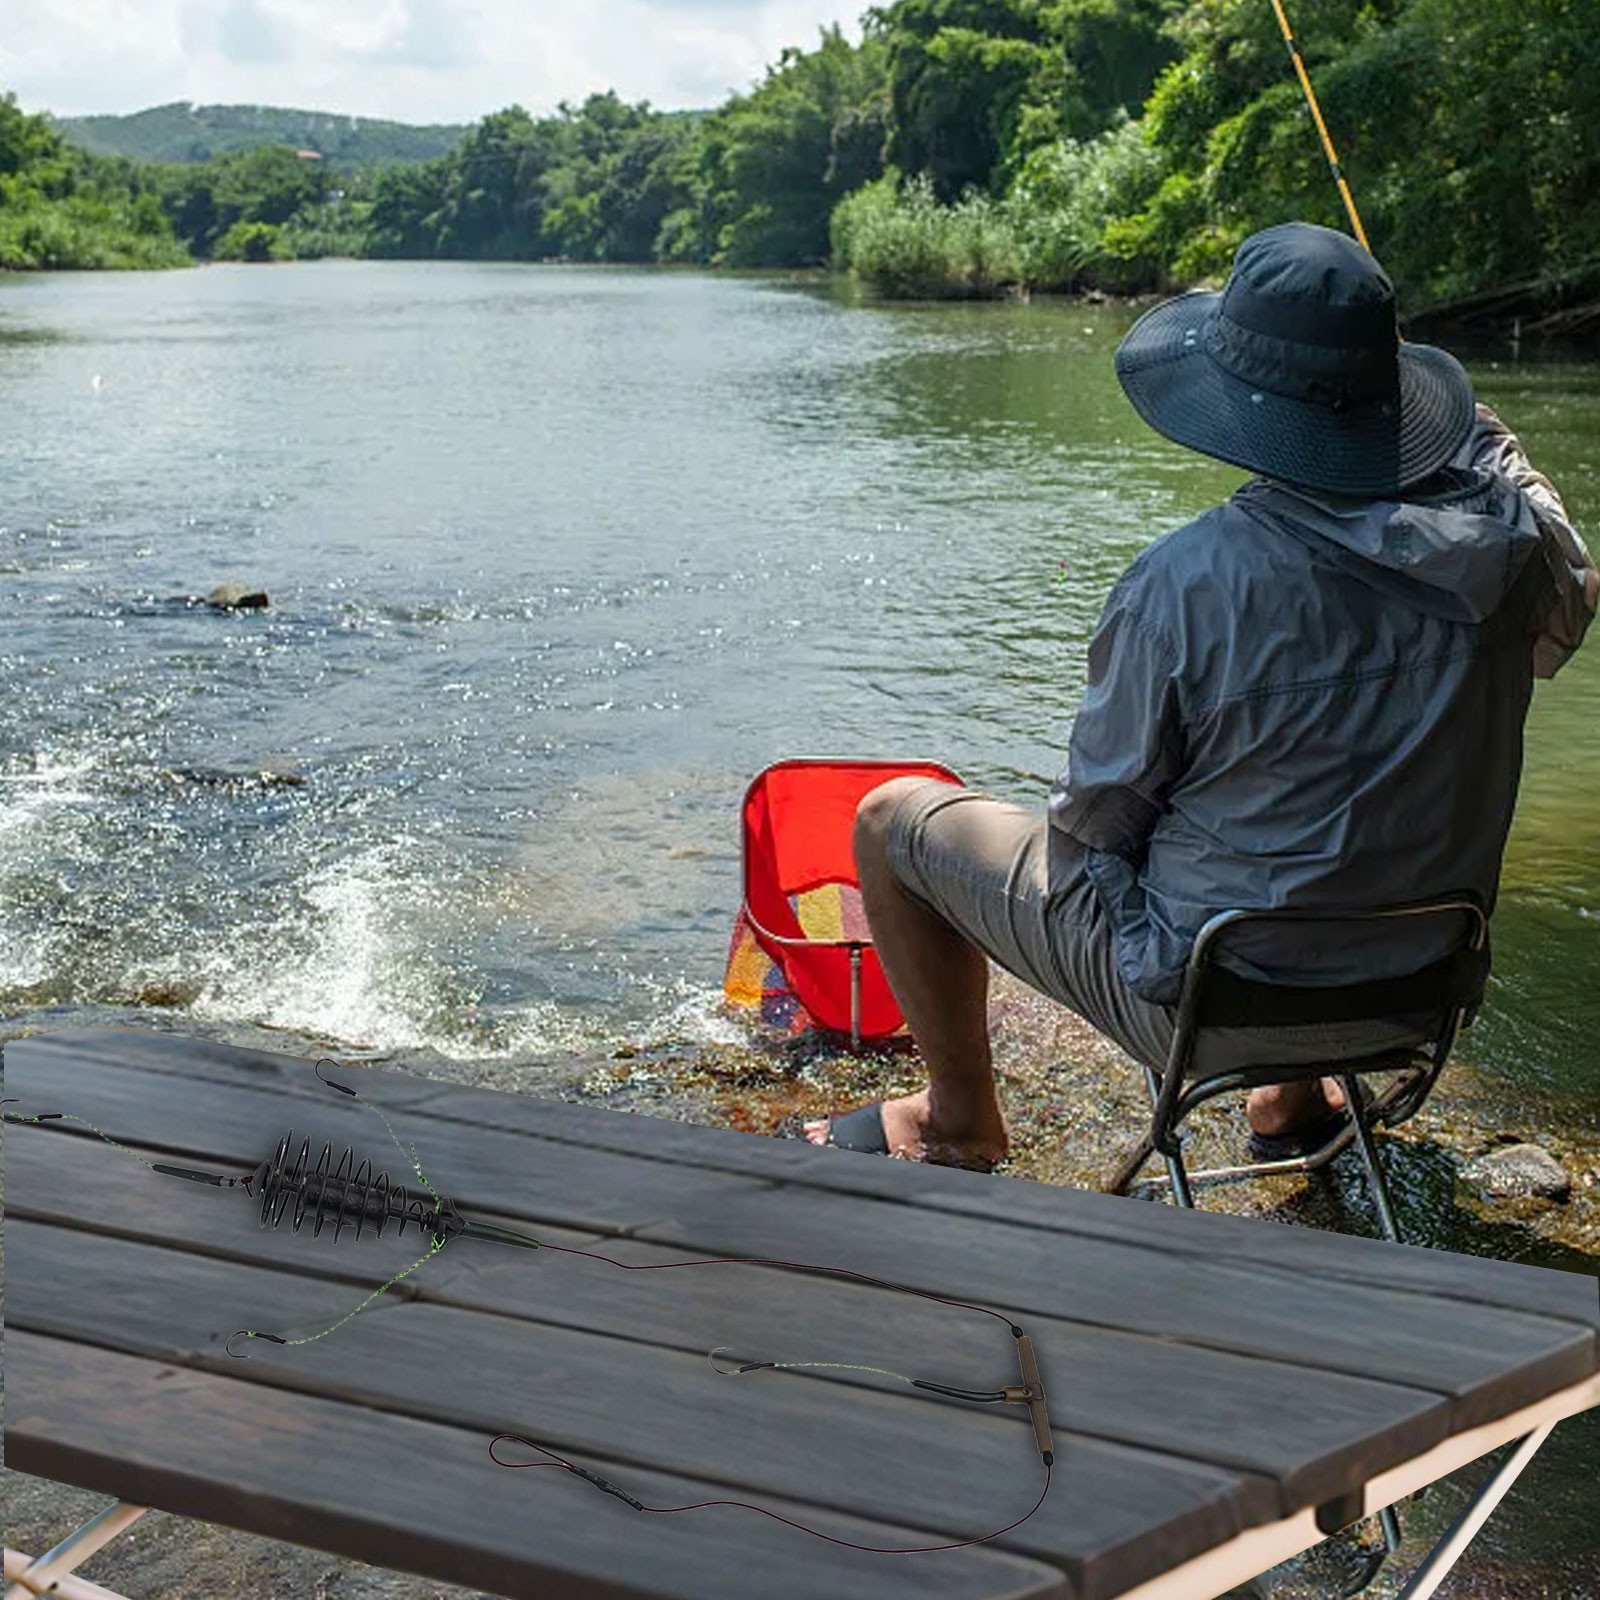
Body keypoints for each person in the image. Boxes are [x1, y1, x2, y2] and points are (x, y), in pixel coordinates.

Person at [805, 221, 1598, 1170]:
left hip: (1212, 1006)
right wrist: (1463, 423)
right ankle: (1290, 1101)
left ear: (1241, 404)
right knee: (1326, 796)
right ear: (1391, 402)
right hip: (1420, 989)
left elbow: (1097, 817)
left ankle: (957, 1119)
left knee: (892, 823)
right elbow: (1552, 541)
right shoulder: (1516, 558)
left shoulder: (1184, 583)